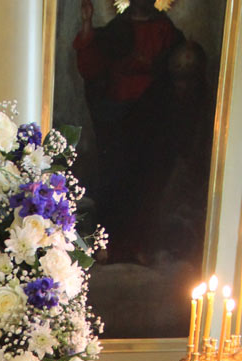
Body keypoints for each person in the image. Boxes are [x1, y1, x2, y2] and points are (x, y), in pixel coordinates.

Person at [73, 0, 185, 264]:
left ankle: (140, 246)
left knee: (144, 185)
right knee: (115, 182)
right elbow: (91, 66)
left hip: (151, 121)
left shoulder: (165, 30)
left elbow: (178, 70)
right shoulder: (116, 29)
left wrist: (151, 67)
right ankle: (108, 246)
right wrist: (87, 23)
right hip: (116, 120)